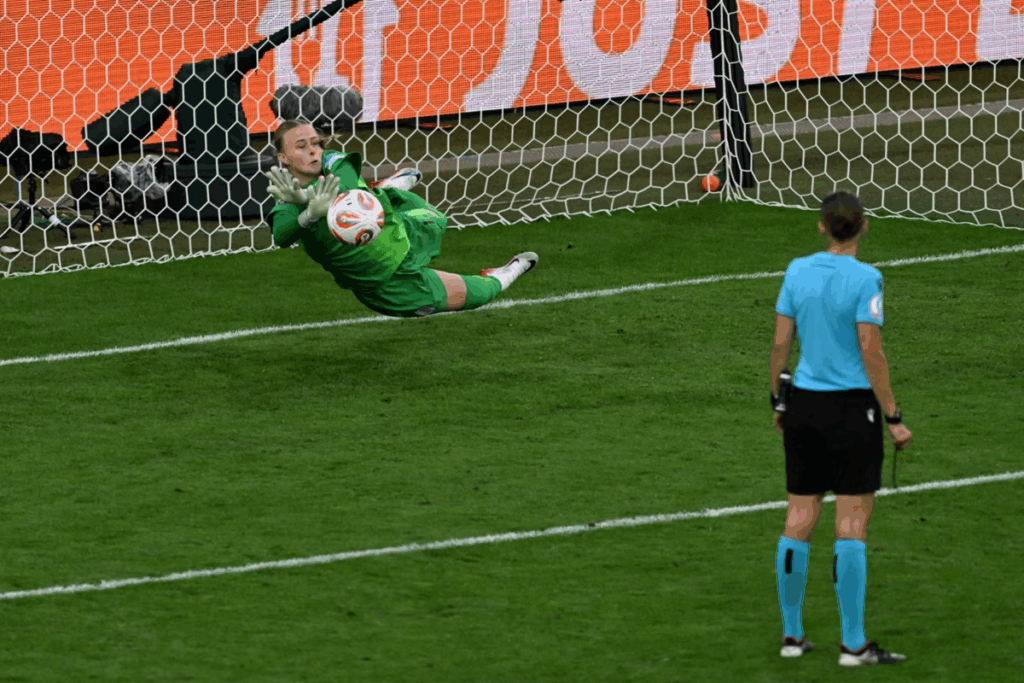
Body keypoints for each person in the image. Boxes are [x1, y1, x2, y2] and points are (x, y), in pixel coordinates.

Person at [769, 190, 913, 666]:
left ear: (821, 226)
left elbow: (780, 344)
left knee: (798, 518)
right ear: (864, 226)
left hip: (804, 408)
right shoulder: (867, 277)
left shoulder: (796, 270)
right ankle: (853, 644)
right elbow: (871, 351)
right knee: (850, 525)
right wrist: (892, 416)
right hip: (852, 411)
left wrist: (779, 400)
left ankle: (792, 638)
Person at [264, 119, 537, 317]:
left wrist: (308, 198)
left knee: (436, 219)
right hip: (383, 282)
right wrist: (308, 214)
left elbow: (346, 187)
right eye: (301, 146)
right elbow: (281, 236)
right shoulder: (288, 203)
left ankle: (384, 191)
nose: (313, 150)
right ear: (283, 158)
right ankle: (505, 273)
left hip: (399, 229)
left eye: (315, 143)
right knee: (476, 296)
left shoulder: (336, 162)